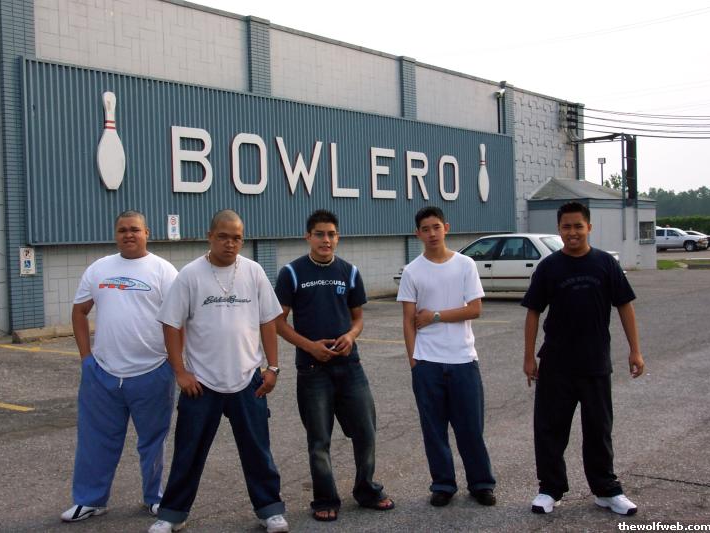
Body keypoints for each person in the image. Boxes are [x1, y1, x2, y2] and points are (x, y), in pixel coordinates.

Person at [149, 210, 288, 533]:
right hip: (201, 383)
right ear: (209, 236)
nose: (230, 243)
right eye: (223, 237)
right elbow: (171, 324)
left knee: (257, 451)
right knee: (188, 452)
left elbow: (269, 320)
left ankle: (269, 510)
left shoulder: (253, 271)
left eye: (237, 238)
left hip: (248, 379)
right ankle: (172, 514)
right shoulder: (190, 275)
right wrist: (180, 372)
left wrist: (272, 367)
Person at [522, 201, 645, 516]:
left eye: (578, 226)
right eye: (566, 226)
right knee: (550, 430)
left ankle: (606, 490)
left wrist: (635, 350)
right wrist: (528, 357)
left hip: (595, 362)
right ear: (559, 229)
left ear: (589, 227)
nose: (572, 232)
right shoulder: (549, 267)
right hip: (556, 364)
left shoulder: (605, 264)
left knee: (598, 430)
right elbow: (533, 312)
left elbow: (625, 305)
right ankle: (550, 489)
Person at [274, 209, 394, 522]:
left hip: (350, 367)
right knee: (319, 441)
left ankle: (366, 489)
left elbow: (358, 319)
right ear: (308, 237)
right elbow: (278, 322)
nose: (325, 240)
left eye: (331, 234)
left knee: (366, 432)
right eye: (319, 234)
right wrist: (309, 347)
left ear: (337, 237)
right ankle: (325, 499)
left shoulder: (349, 272)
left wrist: (351, 336)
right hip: (312, 371)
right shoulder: (291, 273)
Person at [62, 210, 178, 523]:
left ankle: (155, 498)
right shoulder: (99, 268)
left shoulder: (164, 271)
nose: (129, 234)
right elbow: (79, 312)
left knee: (153, 441)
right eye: (123, 230)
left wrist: (174, 363)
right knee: (95, 440)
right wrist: (86, 358)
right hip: (103, 374)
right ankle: (90, 500)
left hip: (152, 372)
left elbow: (179, 319)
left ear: (147, 233)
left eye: (135, 229)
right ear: (116, 234)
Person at [396, 206, 497, 508]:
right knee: (434, 430)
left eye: (436, 227)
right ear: (417, 233)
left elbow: (475, 309)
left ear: (446, 228)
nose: (432, 233)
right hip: (427, 362)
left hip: (463, 359)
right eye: (425, 229)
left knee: (470, 428)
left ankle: (481, 484)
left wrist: (436, 316)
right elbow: (408, 320)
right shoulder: (412, 271)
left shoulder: (465, 265)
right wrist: (414, 361)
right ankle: (443, 484)